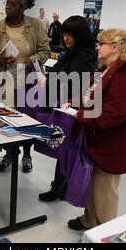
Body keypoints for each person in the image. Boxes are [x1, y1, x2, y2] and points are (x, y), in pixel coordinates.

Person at [66, 28, 126, 230]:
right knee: (94, 187)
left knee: (105, 193)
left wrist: (80, 116)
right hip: (98, 141)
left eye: (101, 44)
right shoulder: (105, 70)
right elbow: (90, 98)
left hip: (113, 145)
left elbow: (113, 115)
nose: (97, 47)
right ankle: (90, 220)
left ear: (114, 48)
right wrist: (73, 103)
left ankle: (106, 231)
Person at [0, 0, 50, 173]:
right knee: (6, 120)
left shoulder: (35, 26)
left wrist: (32, 60)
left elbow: (45, 51)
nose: (8, 7)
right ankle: (9, 153)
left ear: (23, 7)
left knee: (27, 120)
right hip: (4, 83)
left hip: (28, 84)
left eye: (13, 4)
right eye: (7, 3)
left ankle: (27, 155)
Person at [38, 15, 97, 202]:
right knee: (63, 150)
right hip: (65, 106)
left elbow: (74, 82)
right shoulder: (72, 53)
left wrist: (51, 80)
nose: (66, 39)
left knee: (66, 150)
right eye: (64, 34)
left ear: (79, 35)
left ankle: (60, 189)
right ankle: (60, 187)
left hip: (72, 110)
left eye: (70, 35)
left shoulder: (86, 55)